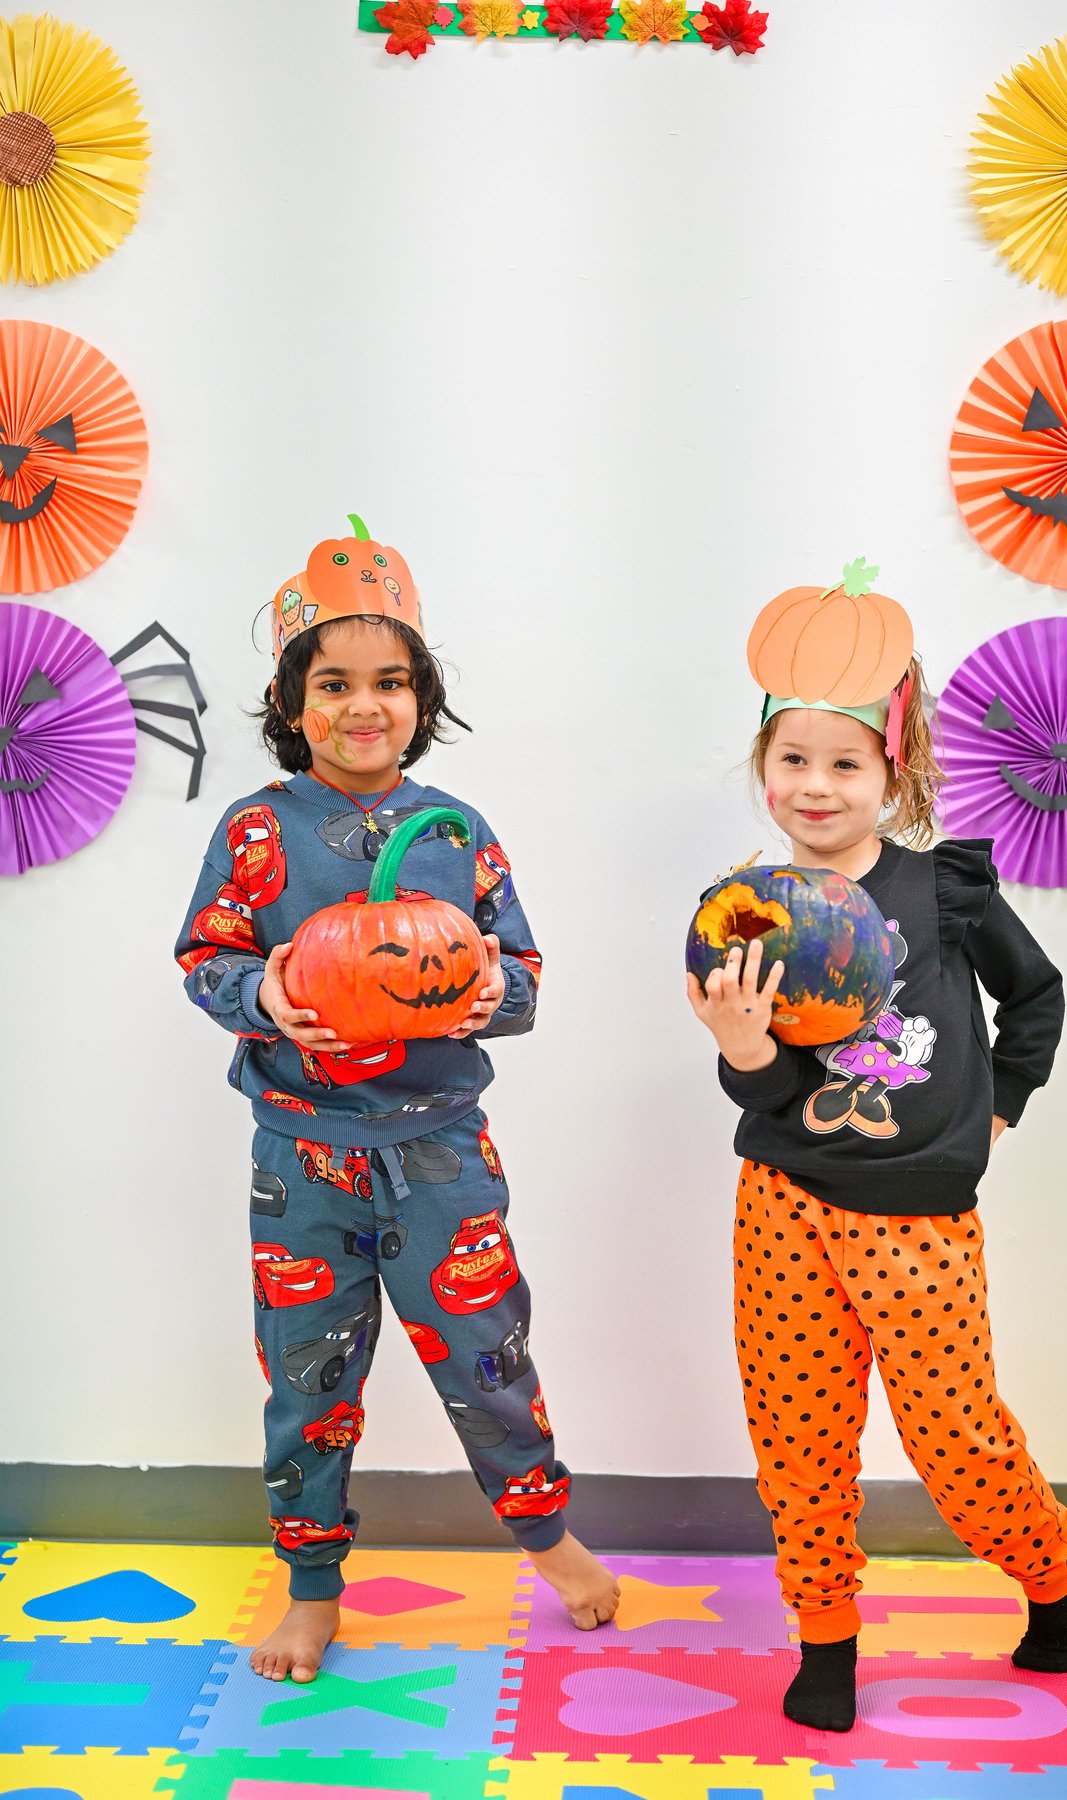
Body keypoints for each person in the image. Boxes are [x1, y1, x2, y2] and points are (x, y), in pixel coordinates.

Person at [176, 520, 618, 1683]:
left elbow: (523, 979)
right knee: (306, 1387)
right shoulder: (259, 831)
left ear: (422, 698)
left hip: (440, 1159)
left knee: (490, 1358)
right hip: (301, 1165)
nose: (363, 706)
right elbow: (204, 963)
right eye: (332, 683)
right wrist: (265, 988)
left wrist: (481, 993)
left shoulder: (455, 835)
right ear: (291, 701)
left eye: (390, 682)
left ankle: (547, 1536)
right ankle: (311, 1588)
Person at [687, 565, 1067, 1732]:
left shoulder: (943, 890)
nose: (816, 785)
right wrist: (740, 1042)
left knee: (958, 1440)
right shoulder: (743, 910)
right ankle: (825, 1638)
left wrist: (1001, 1103)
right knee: (799, 1441)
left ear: (893, 772)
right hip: (785, 1207)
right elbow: (760, 1085)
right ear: (763, 766)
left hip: (918, 1219)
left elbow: (1038, 997)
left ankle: (1054, 1573)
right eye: (793, 760)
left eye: (844, 762)